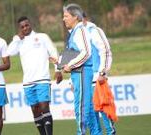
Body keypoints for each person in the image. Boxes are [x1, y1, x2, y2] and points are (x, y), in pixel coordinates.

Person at [7, 16, 63, 135]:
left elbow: (53, 52)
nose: (25, 28)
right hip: (28, 82)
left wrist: (58, 69)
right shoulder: (19, 41)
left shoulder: (42, 37)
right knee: (35, 110)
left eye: (26, 25)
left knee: (44, 107)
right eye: (22, 27)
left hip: (42, 79)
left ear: (30, 24)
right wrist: (17, 38)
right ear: (20, 28)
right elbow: (9, 52)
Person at [62, 4, 98, 135]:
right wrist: (60, 63)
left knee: (81, 108)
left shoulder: (80, 31)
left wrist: (70, 65)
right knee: (85, 108)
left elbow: (87, 52)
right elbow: (74, 54)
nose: (63, 19)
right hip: (78, 74)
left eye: (66, 16)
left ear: (75, 17)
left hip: (82, 72)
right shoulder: (74, 33)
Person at [82, 13, 115, 135]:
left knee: (104, 110)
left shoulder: (94, 31)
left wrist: (103, 72)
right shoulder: (76, 36)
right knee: (91, 113)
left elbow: (105, 51)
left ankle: (111, 132)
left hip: (97, 78)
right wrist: (71, 81)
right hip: (84, 80)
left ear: (83, 19)